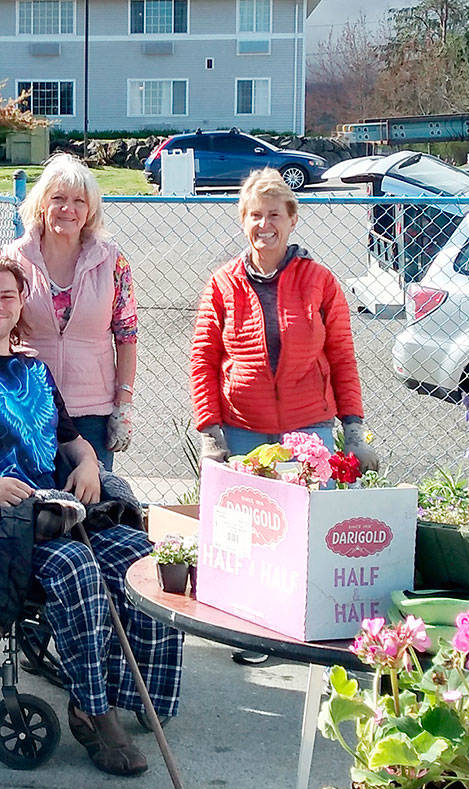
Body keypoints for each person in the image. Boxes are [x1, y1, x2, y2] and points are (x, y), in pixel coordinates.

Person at [0, 254, 183, 777]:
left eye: (7, 295)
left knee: (138, 556)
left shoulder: (34, 368)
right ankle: (94, 711)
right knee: (76, 566)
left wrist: (91, 465)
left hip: (57, 511)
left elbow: (69, 440)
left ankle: (131, 687)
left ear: (21, 303)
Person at [190, 167, 380, 664]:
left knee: (303, 536)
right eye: (255, 215)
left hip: (307, 428)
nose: (264, 225)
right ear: (243, 222)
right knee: (249, 537)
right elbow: (205, 359)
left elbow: (341, 355)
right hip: (242, 428)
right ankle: (250, 632)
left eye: (275, 214)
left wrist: (353, 429)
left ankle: (301, 627)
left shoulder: (320, 282)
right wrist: (211, 432)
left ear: (292, 220)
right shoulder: (223, 284)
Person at [3, 153, 137, 470]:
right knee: (35, 508)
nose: (68, 209)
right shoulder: (13, 259)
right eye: (58, 199)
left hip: (94, 411)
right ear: (41, 205)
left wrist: (124, 404)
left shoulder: (111, 261)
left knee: (92, 509)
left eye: (79, 201)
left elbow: (127, 335)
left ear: (89, 210)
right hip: (31, 405)